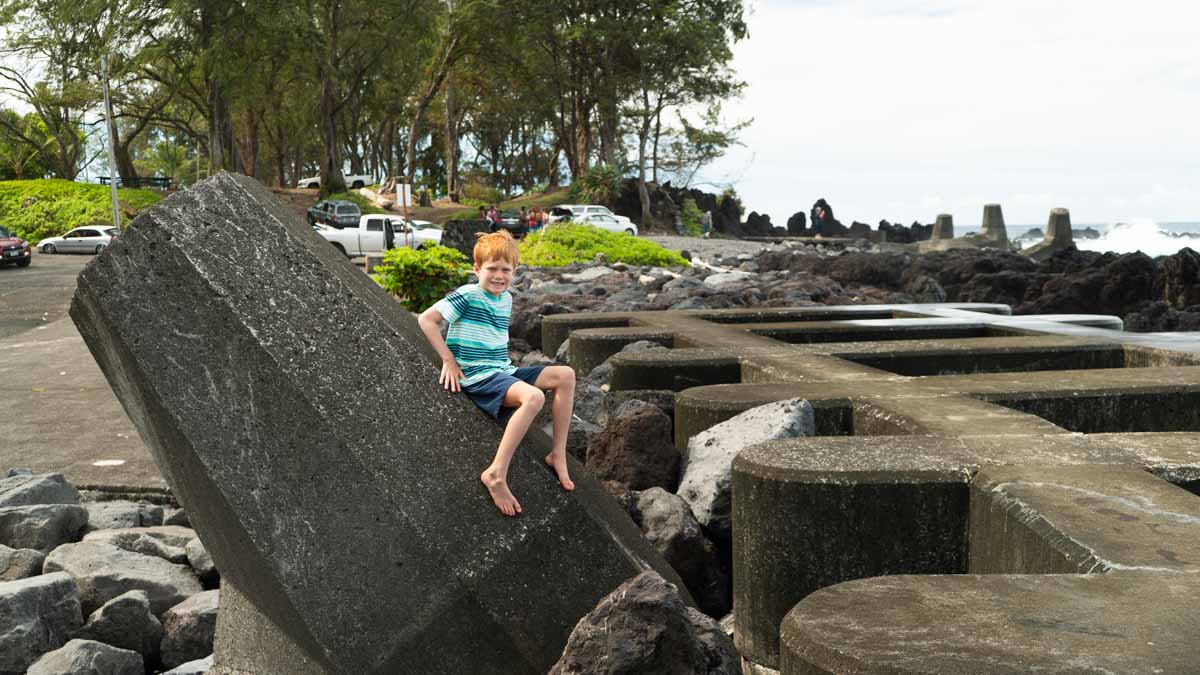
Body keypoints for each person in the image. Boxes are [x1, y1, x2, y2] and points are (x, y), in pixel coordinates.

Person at [417, 231, 577, 516]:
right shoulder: (468, 294)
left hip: (501, 369)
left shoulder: (505, 299)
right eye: (492, 268)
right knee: (533, 398)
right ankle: (496, 473)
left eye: (506, 270)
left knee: (565, 375)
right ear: (477, 269)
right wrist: (449, 360)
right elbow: (427, 319)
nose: (499, 276)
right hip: (478, 375)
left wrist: (510, 371)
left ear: (514, 272)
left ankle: (557, 454)